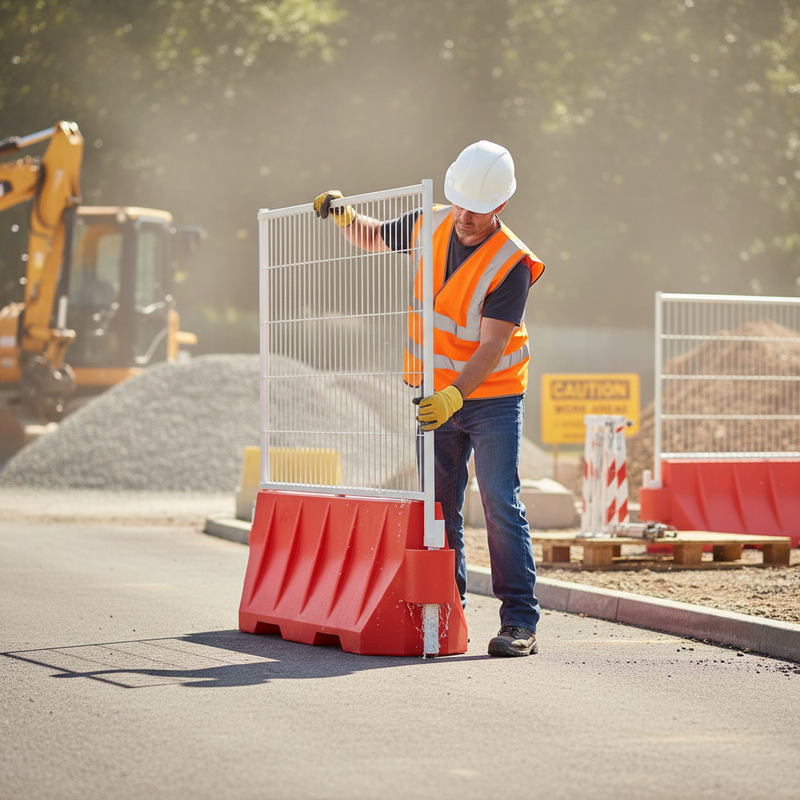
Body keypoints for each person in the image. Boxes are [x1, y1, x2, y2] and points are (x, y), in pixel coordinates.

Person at [313, 140, 545, 657]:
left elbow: (492, 345)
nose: (465, 216)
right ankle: (451, 610)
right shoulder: (433, 221)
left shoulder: (512, 262)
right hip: (432, 393)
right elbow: (373, 238)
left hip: (491, 396)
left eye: (478, 210)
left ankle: (519, 622)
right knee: (441, 507)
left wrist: (453, 397)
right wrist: (344, 216)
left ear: (500, 207)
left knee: (499, 501)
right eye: (460, 202)